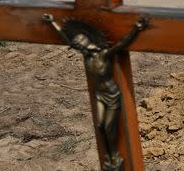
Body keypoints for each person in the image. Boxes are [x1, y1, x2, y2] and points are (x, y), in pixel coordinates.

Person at [42, 14, 148, 171]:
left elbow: (122, 44)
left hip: (112, 95)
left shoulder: (103, 54)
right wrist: (52, 23)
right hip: (99, 94)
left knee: (108, 126)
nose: (77, 46)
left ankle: (114, 156)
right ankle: (110, 155)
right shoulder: (86, 56)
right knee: (100, 125)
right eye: (76, 45)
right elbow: (66, 37)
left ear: (86, 41)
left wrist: (136, 29)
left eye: (78, 44)